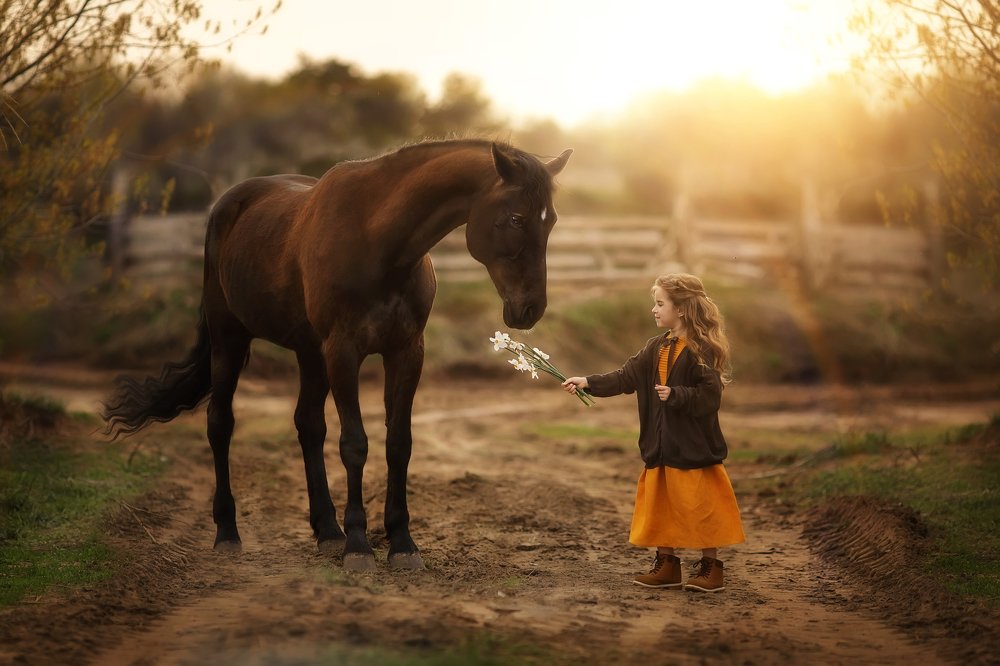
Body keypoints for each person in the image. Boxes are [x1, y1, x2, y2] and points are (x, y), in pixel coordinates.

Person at [561, 273, 745, 592]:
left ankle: (710, 568)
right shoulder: (655, 347)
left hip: (693, 449)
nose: (654, 310)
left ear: (683, 309)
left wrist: (677, 395)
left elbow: (710, 396)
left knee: (700, 508)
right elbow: (625, 377)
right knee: (662, 507)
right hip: (660, 446)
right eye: (654, 303)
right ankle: (667, 565)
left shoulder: (702, 349)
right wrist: (588, 382)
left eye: (660, 303)